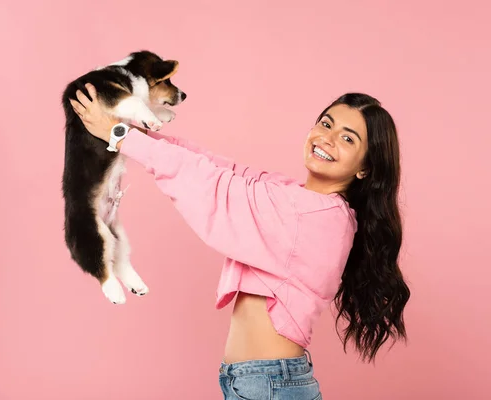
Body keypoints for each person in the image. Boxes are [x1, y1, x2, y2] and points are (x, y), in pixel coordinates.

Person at [70, 85, 410, 399]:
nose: (327, 138)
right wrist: (138, 134)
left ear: (365, 168)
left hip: (269, 386)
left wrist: (122, 136)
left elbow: (215, 185)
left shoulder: (314, 216)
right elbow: (227, 170)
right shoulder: (299, 199)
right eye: (326, 123)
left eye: (348, 139)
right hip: (262, 382)